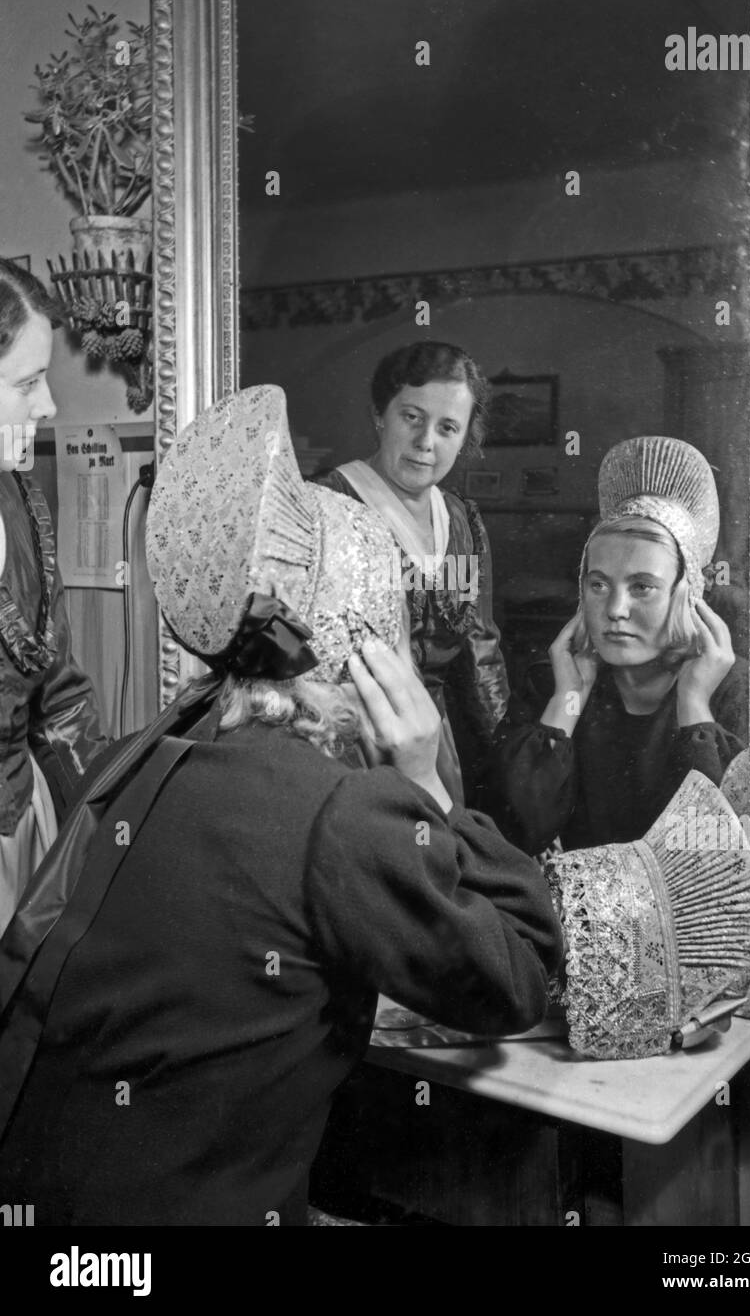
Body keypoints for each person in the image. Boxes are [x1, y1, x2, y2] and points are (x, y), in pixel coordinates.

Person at [0, 383, 562, 1226]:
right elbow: (518, 977)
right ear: (369, 657)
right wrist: (430, 788)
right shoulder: (344, 813)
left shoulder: (142, 750)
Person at [486, 436, 747, 856]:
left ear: (687, 595)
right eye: (599, 584)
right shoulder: (550, 684)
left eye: (642, 586)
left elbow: (720, 861)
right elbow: (512, 839)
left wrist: (694, 702)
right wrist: (566, 703)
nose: (615, 610)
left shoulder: (735, 690)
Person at [317, 340, 509, 806]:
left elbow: (479, 651)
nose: (426, 442)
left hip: (437, 744)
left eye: (447, 427)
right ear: (380, 415)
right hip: (349, 745)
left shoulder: (460, 522)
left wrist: (506, 759)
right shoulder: (329, 503)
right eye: (412, 417)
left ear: (465, 438)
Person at [0, 257, 107, 935]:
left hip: (24, 823)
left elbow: (58, 694)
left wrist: (106, 820)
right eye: (28, 383)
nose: (49, 406)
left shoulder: (17, 495)